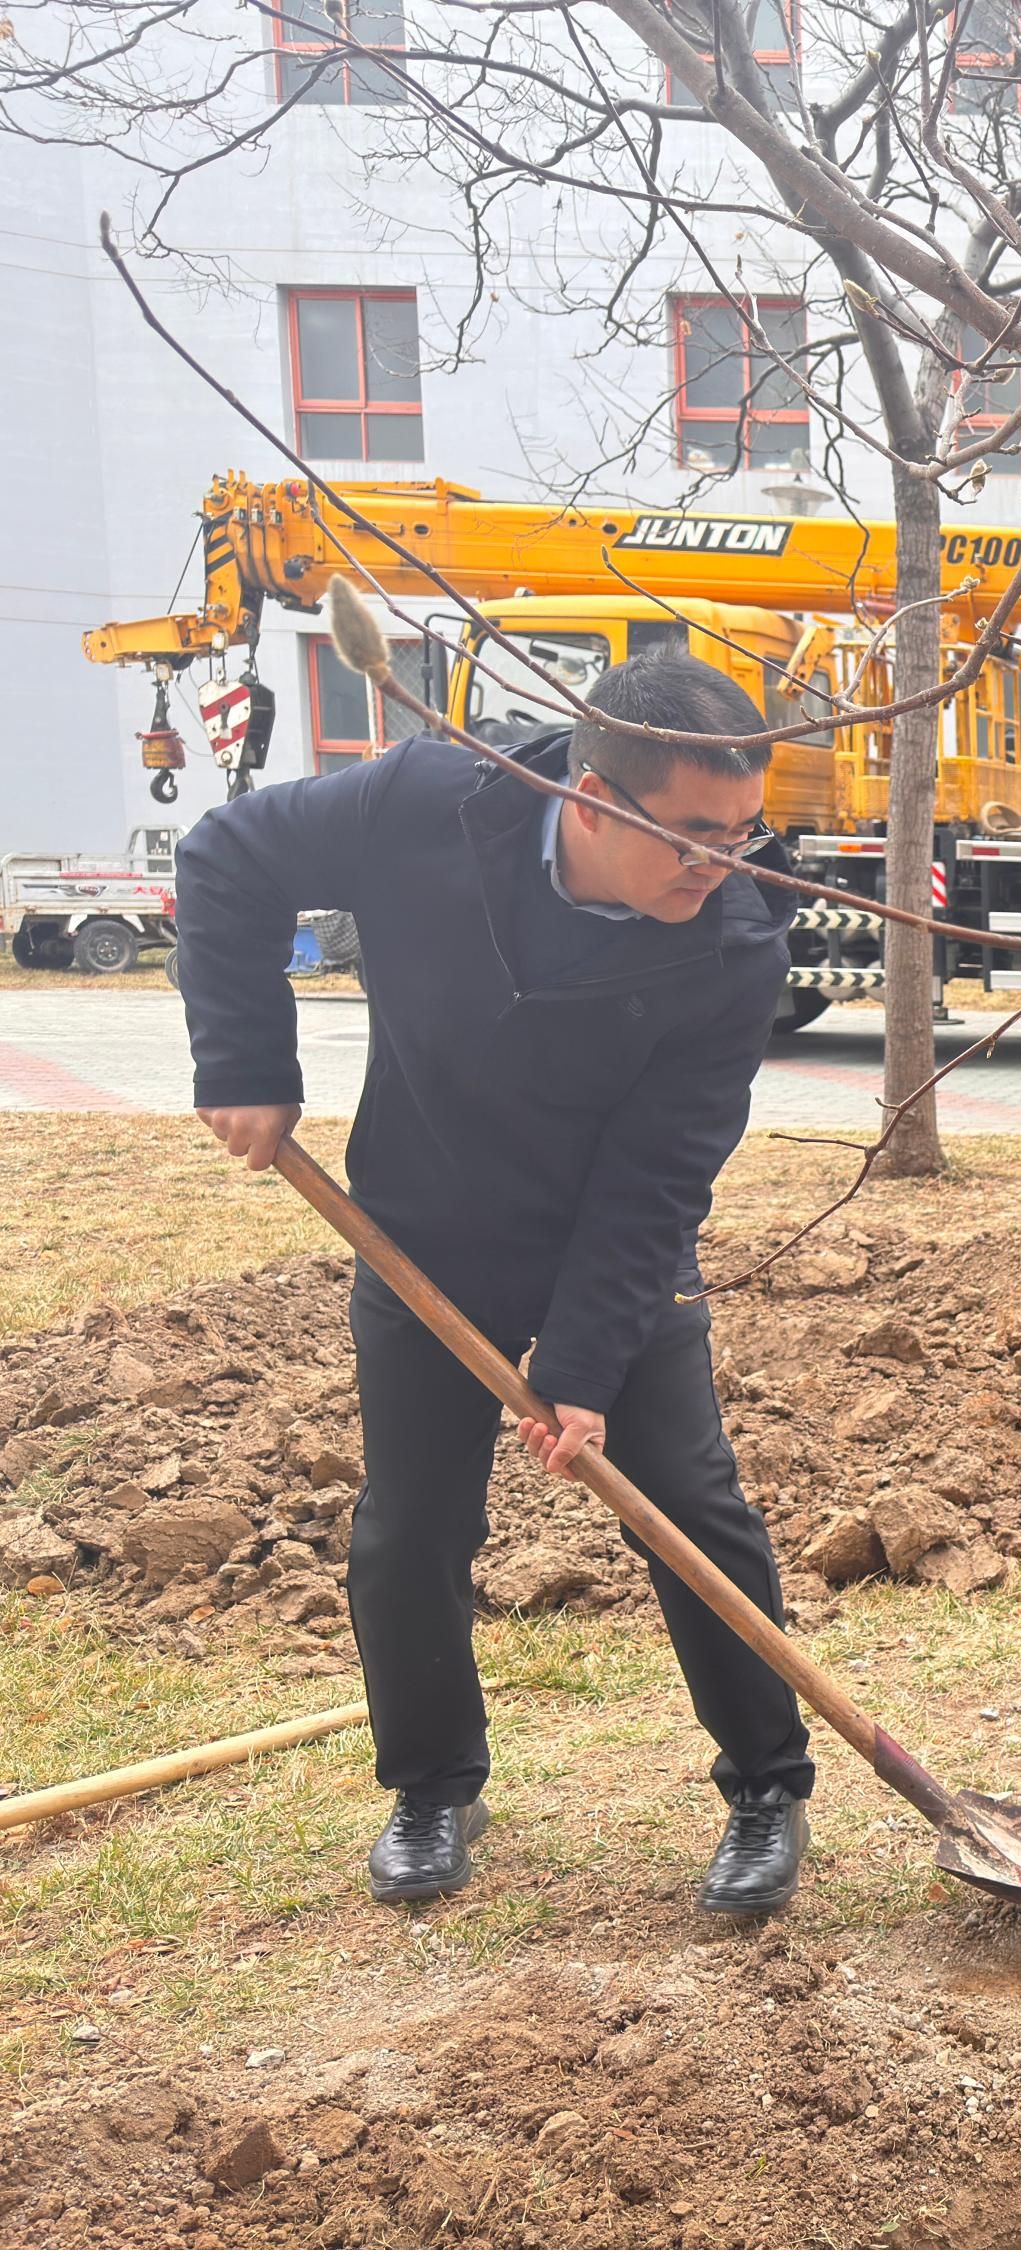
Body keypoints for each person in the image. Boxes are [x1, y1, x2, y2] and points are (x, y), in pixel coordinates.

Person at [179, 649, 816, 1916]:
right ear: (590, 798)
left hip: (607, 1244)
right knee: (408, 1529)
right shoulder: (426, 801)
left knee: (685, 1508)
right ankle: (433, 1786)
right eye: (693, 835)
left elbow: (657, 1180)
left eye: (745, 833)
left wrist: (579, 1370)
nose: (723, 864)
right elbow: (226, 856)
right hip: (422, 1236)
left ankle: (767, 1787)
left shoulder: (732, 951)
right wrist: (246, 1057)